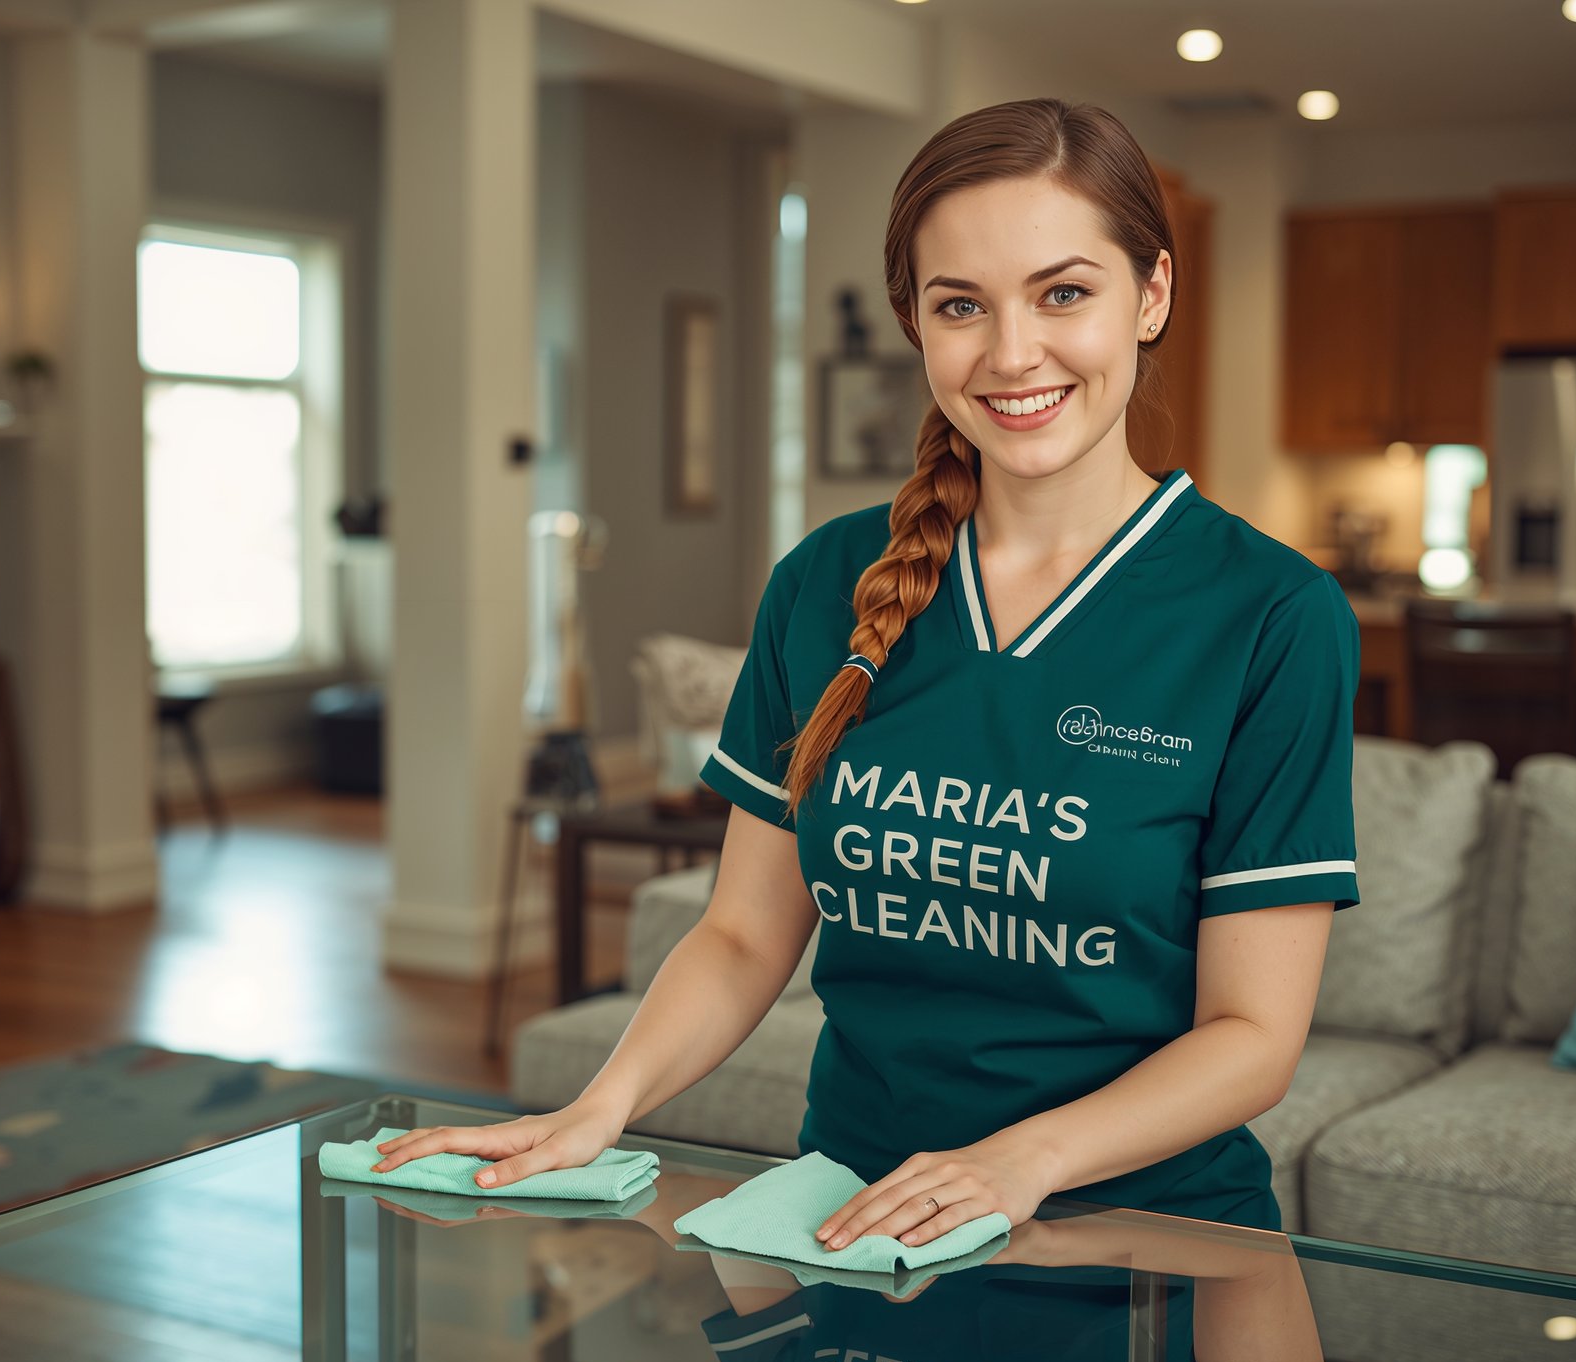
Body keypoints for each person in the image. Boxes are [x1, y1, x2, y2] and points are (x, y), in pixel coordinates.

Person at [371, 97, 1360, 1248]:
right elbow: (743, 933)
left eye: (1064, 292)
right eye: (960, 306)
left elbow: (1252, 1031)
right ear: (913, 323)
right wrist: (602, 1104)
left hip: (1144, 1239)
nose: (1011, 352)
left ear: (1151, 295)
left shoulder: (1272, 615)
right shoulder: (822, 584)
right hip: (849, 1223)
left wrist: (1018, 1160)